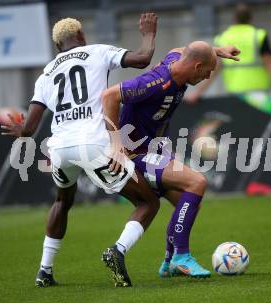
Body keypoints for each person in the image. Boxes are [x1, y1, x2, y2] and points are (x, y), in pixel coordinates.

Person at [1, 15, 160, 288]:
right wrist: (148, 34)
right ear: (81, 36)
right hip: (94, 144)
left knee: (63, 201)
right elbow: (143, 58)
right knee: (148, 202)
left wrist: (21, 131)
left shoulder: (47, 73)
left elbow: (28, 129)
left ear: (57, 45)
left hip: (60, 149)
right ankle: (117, 250)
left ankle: (44, 271)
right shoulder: (98, 51)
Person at [102, 41, 240, 278]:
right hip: (136, 154)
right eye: (207, 72)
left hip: (154, 149)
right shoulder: (155, 83)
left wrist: (216, 51)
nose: (207, 77)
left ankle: (168, 262)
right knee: (196, 183)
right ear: (197, 66)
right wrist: (116, 145)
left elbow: (184, 49)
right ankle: (181, 256)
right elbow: (109, 96)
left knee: (186, 201)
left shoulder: (178, 59)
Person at [185, 3, 271, 106]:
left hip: (235, 97)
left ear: (234, 19)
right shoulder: (258, 35)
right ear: (251, 18)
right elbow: (270, 64)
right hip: (260, 96)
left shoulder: (223, 38)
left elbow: (214, 69)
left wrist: (197, 93)